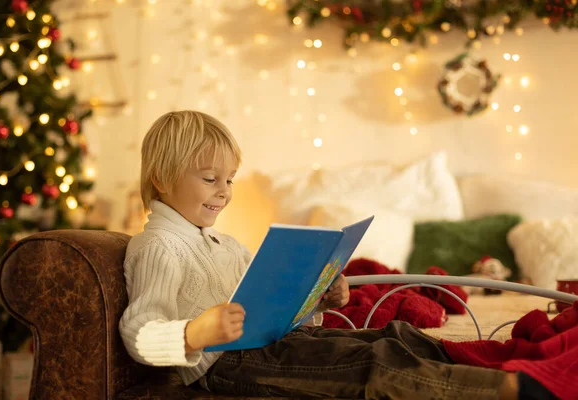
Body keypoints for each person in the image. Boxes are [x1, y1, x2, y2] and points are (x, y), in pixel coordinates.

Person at [119, 110, 521, 399]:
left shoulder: (225, 244)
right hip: (229, 365)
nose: (224, 191)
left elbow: (273, 308)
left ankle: (502, 364)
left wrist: (316, 299)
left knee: (389, 339)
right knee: (373, 367)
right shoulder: (158, 245)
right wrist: (192, 334)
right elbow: (139, 331)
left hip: (274, 344)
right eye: (210, 179)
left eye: (229, 180)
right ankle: (508, 389)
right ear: (162, 178)